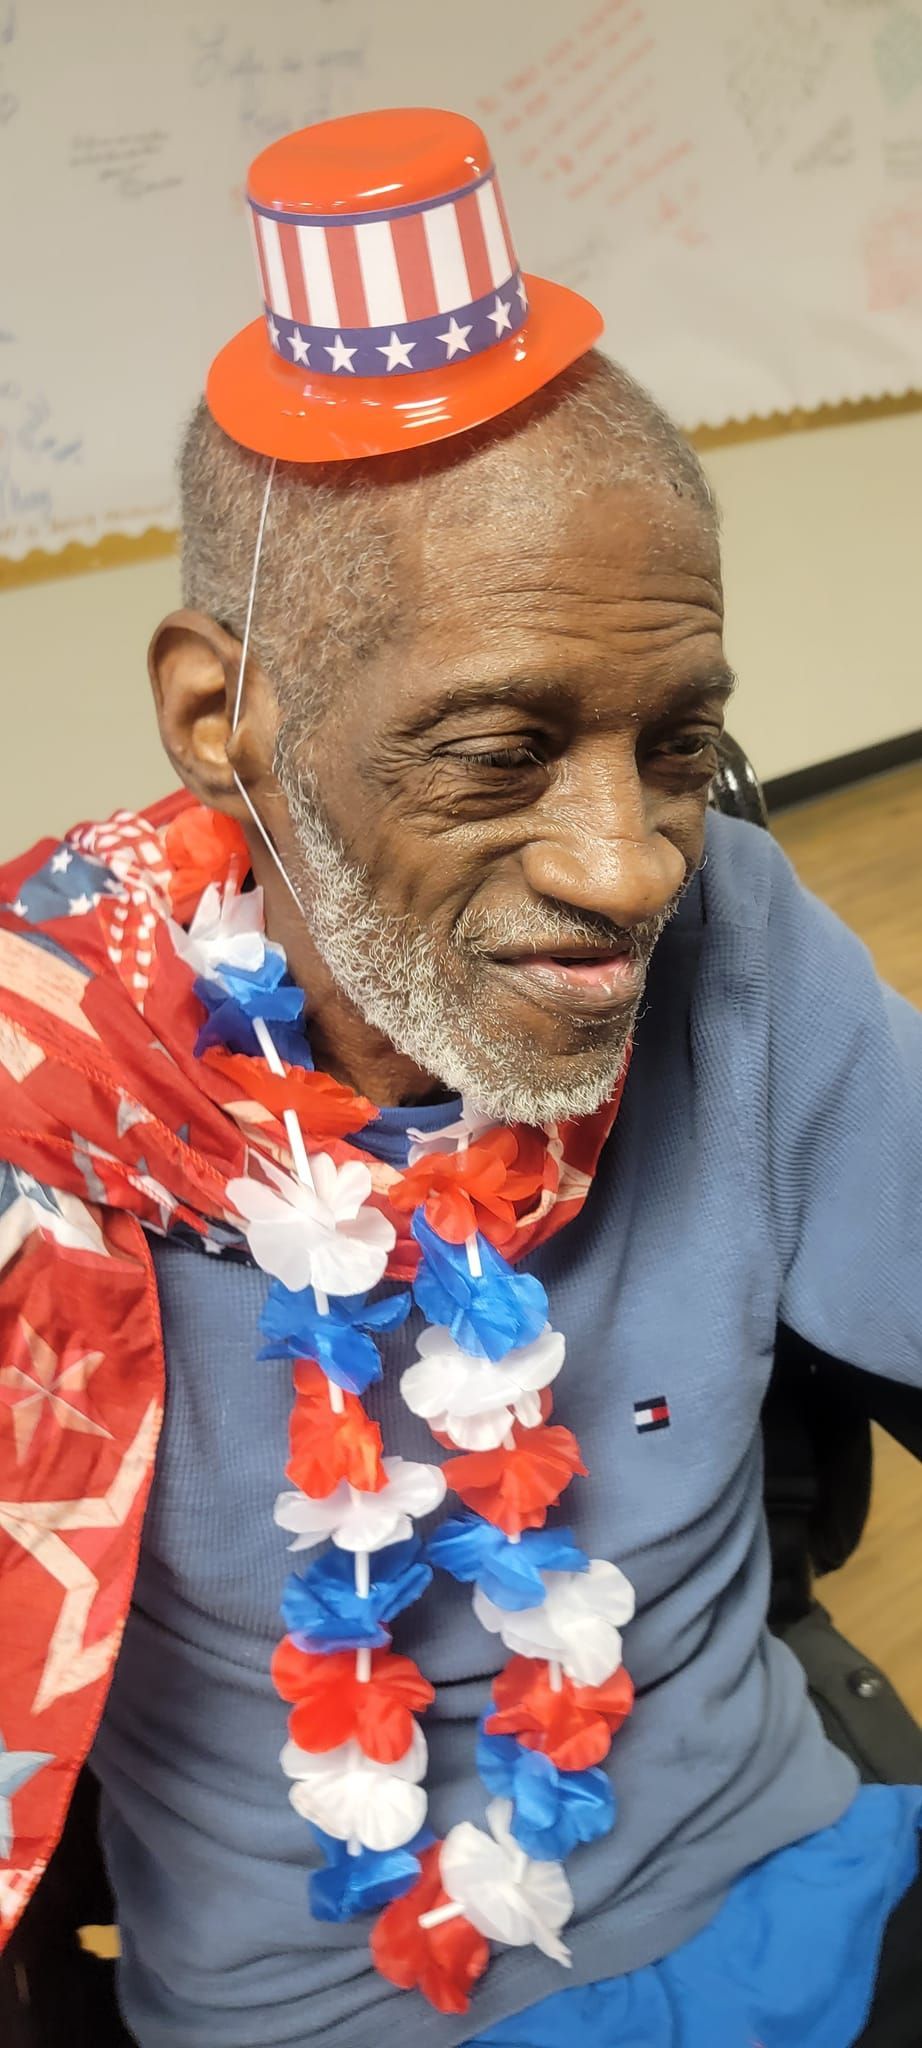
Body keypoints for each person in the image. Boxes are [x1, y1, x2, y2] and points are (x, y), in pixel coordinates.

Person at [0, 107, 920, 2048]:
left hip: (788, 1866)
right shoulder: (38, 1093)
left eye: (674, 745)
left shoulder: (734, 931)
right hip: (321, 2005)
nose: (627, 864)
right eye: (496, 752)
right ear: (220, 716)